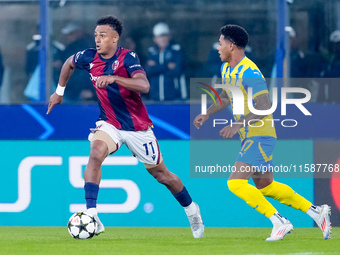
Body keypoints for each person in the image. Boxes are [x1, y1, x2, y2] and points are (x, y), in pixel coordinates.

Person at [47, 15, 204, 238]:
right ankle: (92, 215)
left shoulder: (128, 58)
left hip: (137, 127)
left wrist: (114, 78)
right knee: (95, 154)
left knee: (163, 176)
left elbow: (144, 85)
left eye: (102, 35)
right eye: (95, 35)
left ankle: (191, 210)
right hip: (109, 123)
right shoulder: (88, 57)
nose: (98, 40)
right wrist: (59, 92)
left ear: (115, 38)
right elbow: (68, 63)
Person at [193, 24, 331, 241]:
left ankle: (279, 222)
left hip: (259, 133)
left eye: (220, 43)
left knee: (235, 183)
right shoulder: (227, 68)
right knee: (266, 186)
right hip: (251, 134)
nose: (218, 48)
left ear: (231, 45)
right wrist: (207, 113)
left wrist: (238, 125)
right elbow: (228, 98)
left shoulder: (250, 71)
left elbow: (265, 105)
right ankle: (315, 211)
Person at [145, 22, 187, 101]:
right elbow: (148, 70)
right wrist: (167, 66)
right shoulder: (151, 52)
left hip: (174, 97)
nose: (162, 39)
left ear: (169, 37)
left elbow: (177, 70)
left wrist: (157, 67)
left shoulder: (176, 50)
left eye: (165, 36)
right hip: (155, 97)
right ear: (155, 39)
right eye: (160, 36)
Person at [59, 23, 97, 102]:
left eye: (71, 34)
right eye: (68, 35)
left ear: (79, 33)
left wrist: (86, 88)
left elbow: (84, 71)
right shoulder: (70, 48)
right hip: (71, 89)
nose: (68, 37)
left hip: (79, 91)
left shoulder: (83, 47)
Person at [323, 30, 340, 103]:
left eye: (338, 44)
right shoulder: (332, 58)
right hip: (333, 93)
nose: (335, 47)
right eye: (334, 44)